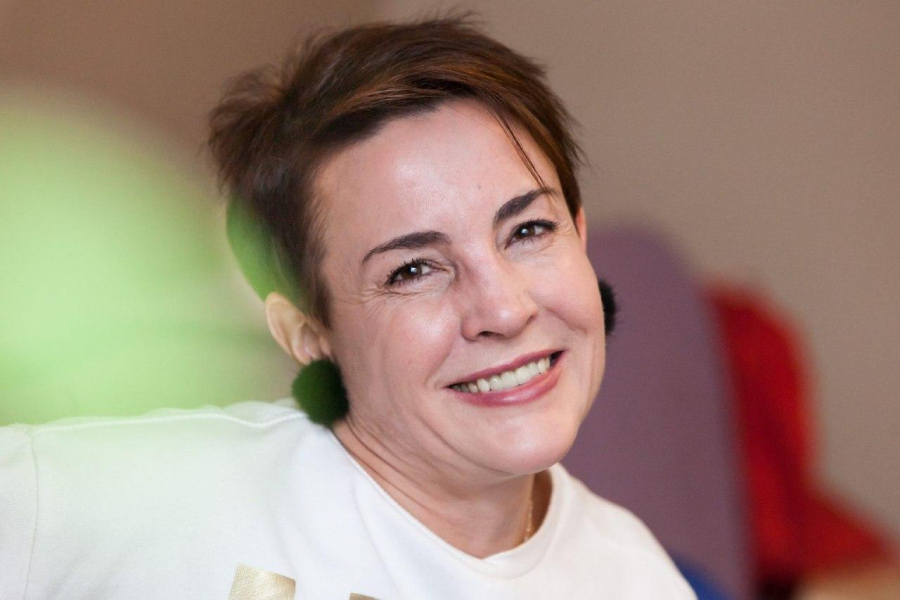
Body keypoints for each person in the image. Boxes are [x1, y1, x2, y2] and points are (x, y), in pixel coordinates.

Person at [0, 17, 694, 599]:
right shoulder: (130, 501)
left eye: (528, 230)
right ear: (307, 333)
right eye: (413, 270)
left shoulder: (636, 581)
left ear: (578, 232)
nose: (505, 310)